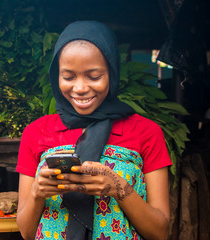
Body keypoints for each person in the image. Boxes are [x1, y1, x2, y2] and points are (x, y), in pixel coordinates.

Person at [16, 21, 172, 240]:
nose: (80, 88)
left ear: (112, 73)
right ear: (56, 76)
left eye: (94, 76)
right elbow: (25, 232)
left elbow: (160, 232)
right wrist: (36, 192)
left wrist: (118, 187)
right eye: (68, 77)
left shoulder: (147, 132)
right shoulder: (36, 132)